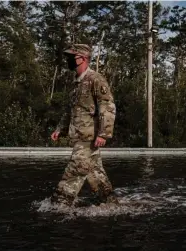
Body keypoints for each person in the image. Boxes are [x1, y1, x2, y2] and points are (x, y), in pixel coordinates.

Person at [50, 44, 118, 207]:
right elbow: (70, 111)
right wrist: (60, 129)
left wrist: (103, 133)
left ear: (82, 58)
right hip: (79, 136)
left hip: (89, 137)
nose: (68, 60)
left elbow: (107, 106)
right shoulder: (76, 85)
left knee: (74, 170)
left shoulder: (95, 79)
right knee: (95, 174)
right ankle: (110, 204)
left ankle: (57, 206)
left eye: (71, 57)